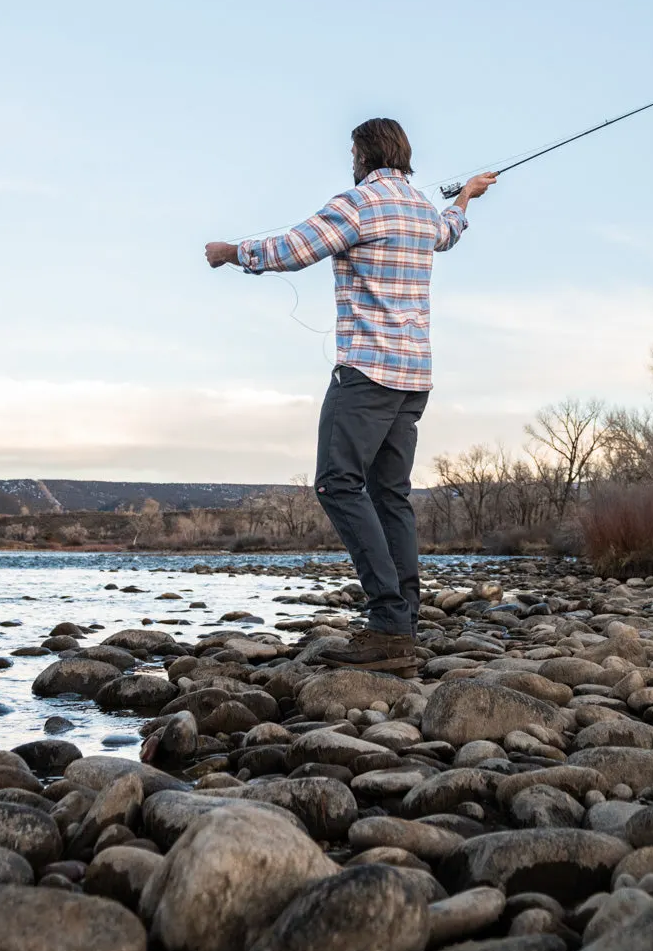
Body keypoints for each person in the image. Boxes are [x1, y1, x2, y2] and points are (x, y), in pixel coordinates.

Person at [205, 117, 495, 674]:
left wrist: (230, 251)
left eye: (352, 151)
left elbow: (293, 249)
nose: (350, 160)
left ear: (364, 153)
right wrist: (466, 197)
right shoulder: (421, 210)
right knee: (390, 495)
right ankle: (401, 625)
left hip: (366, 374)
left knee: (338, 484)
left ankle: (388, 620)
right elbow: (450, 231)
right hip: (415, 380)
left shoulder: (360, 203)